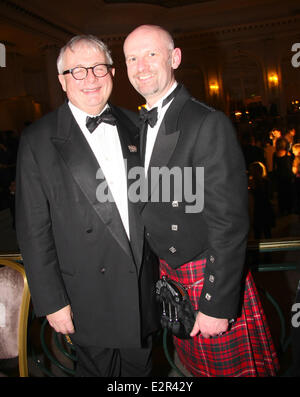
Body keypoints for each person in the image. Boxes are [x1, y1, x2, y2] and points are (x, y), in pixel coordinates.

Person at [123, 24, 279, 377]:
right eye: (132, 57)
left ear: (174, 58)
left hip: (206, 278)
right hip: (174, 279)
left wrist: (216, 304)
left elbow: (230, 222)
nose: (141, 65)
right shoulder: (139, 126)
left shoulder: (208, 122)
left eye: (151, 54)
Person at [15, 35, 159, 377]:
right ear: (63, 81)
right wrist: (52, 302)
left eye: (98, 68)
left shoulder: (139, 124)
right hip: (85, 297)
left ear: (112, 73)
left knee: (141, 372)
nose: (91, 79)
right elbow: (33, 230)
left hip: (141, 287)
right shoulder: (38, 140)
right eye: (78, 71)